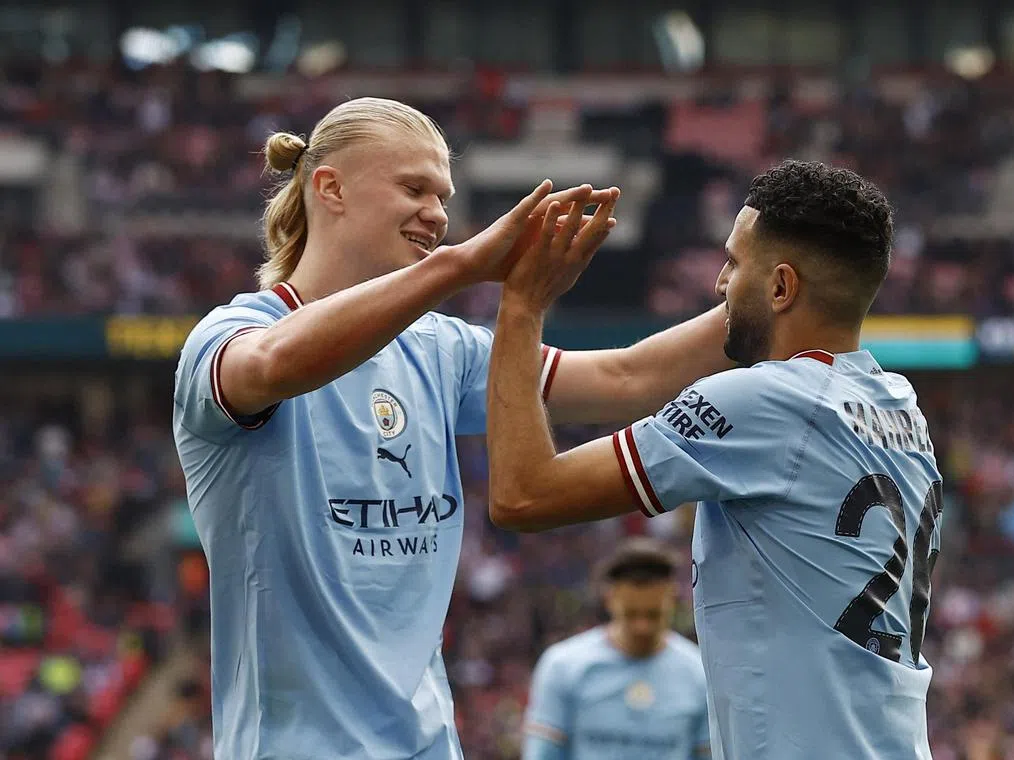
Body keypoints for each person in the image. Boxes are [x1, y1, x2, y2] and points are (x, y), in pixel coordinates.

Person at [172, 97, 731, 760]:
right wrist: (460, 266)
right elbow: (274, 365)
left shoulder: (442, 348)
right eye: (414, 189)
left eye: (443, 196)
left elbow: (626, 378)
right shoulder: (232, 336)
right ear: (330, 188)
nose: (437, 215)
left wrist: (771, 297)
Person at [484, 160, 945, 759]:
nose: (719, 283)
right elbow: (632, 373)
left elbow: (523, 494)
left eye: (733, 262)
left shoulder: (765, 402)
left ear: (780, 287)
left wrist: (522, 303)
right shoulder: (899, 404)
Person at [523, 538, 709, 760]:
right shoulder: (562, 667)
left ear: (673, 599)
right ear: (609, 598)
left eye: (653, 615)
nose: (642, 627)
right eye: (631, 614)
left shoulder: (699, 674)